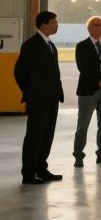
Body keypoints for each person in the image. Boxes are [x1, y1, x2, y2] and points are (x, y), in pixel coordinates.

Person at [14, 11, 64, 185]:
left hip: (52, 99)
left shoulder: (50, 45)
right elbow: (19, 73)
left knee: (47, 135)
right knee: (34, 135)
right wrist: (31, 92)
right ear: (43, 24)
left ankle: (41, 168)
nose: (57, 25)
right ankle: (28, 173)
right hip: (38, 99)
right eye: (53, 22)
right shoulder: (31, 45)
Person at [73, 16, 101, 167]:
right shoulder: (81, 46)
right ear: (89, 28)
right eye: (96, 25)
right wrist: (99, 81)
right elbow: (83, 67)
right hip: (88, 91)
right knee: (83, 126)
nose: (100, 28)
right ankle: (79, 156)